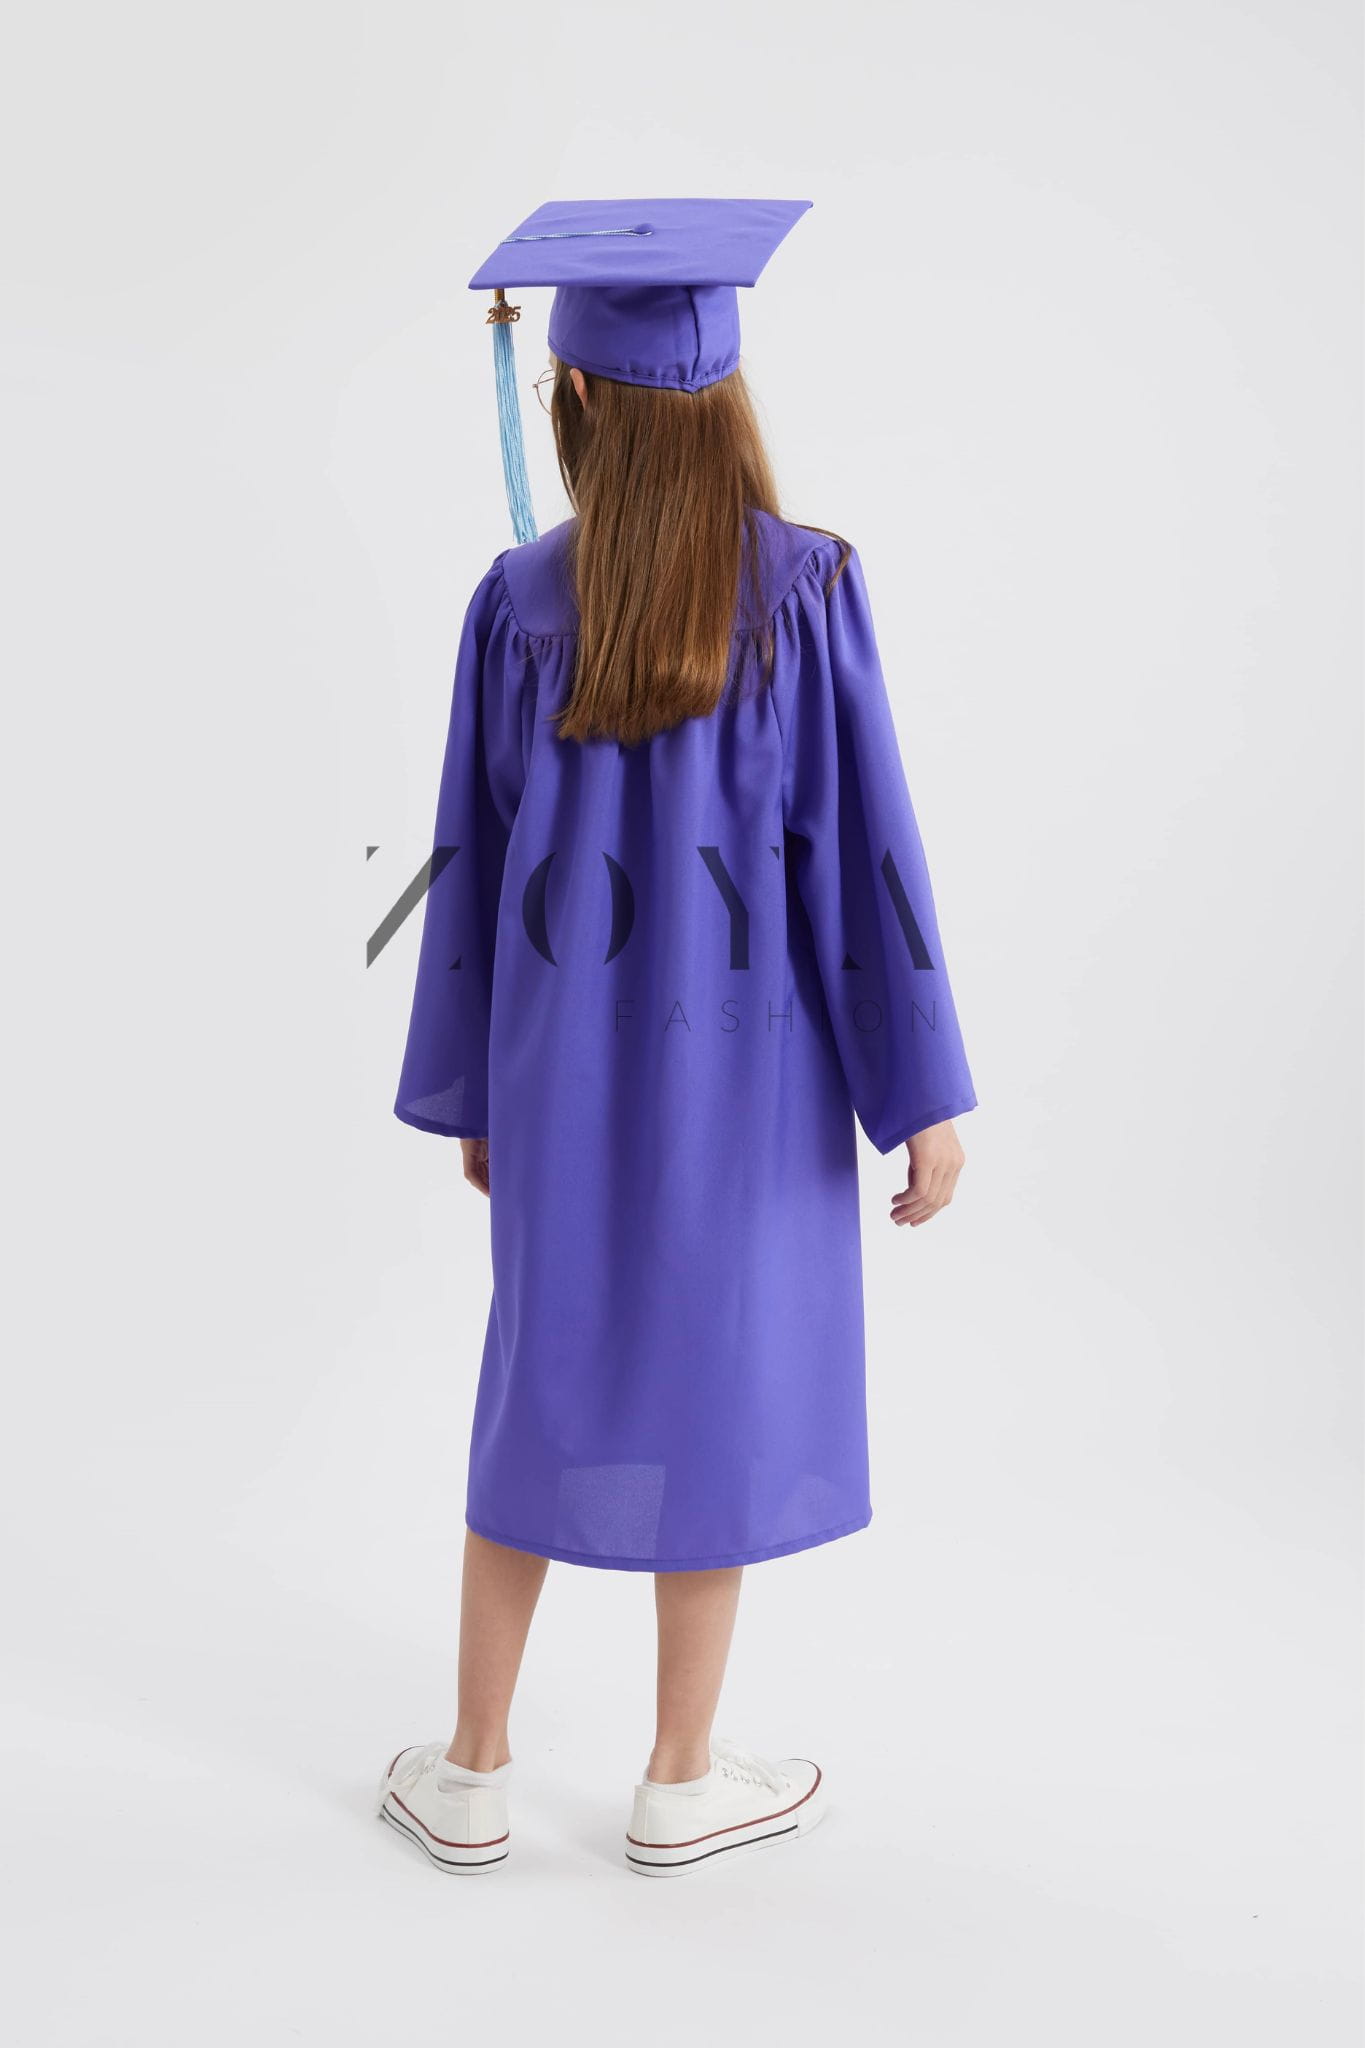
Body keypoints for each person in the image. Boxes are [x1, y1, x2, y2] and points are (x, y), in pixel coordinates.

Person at [378, 198, 977, 1878]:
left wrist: (477, 1090)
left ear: (572, 398)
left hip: (560, 1079)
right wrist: (918, 1093)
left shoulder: (517, 602)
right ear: (724, 399)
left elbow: (473, 861)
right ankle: (678, 1778)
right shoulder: (805, 588)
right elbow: (864, 852)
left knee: (541, 1376)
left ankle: (472, 1773)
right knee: (712, 1381)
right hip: (753, 1073)